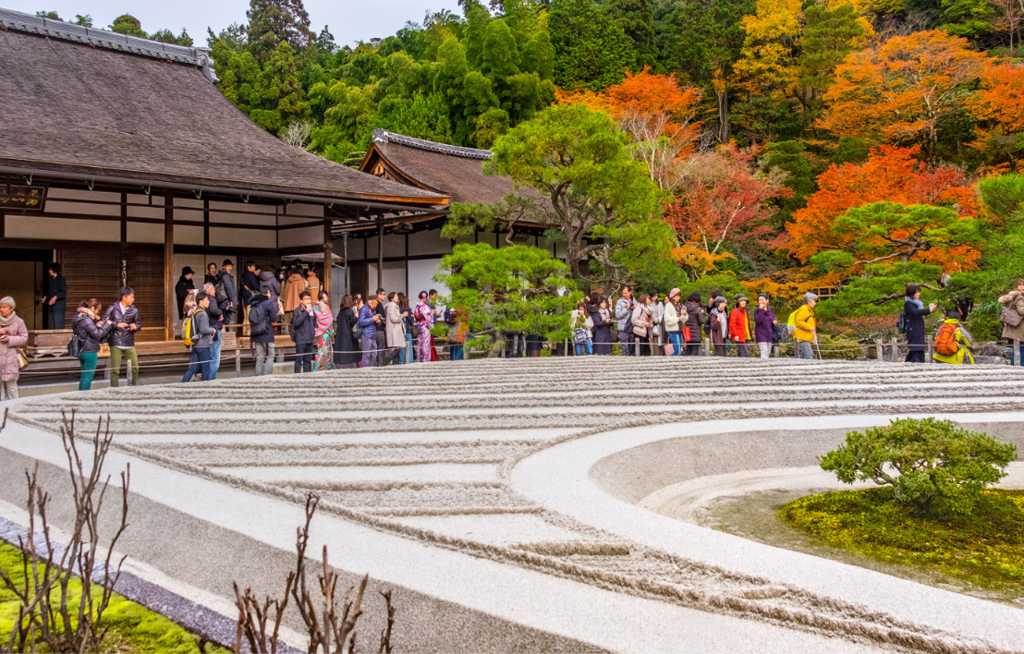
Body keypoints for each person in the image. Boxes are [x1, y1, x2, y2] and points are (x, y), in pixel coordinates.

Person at [72, 299, 113, 391]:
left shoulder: (79, 317)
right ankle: (84, 396)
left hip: (81, 349)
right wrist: (107, 325)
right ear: (93, 309)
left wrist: (97, 325)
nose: (97, 313)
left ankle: (80, 395)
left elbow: (87, 331)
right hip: (89, 350)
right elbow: (98, 334)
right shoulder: (87, 320)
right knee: (88, 377)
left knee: (84, 375)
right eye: (97, 311)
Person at [103, 287, 141, 387]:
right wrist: (116, 324)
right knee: (115, 369)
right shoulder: (112, 308)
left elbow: (138, 324)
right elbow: (104, 320)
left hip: (129, 342)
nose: (133, 299)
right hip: (116, 342)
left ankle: (133, 386)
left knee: (135, 367)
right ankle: (115, 389)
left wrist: (135, 326)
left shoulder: (134, 310)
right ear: (124, 297)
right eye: (131, 297)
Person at [181, 293, 216, 383]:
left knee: (193, 367)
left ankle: (183, 383)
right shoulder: (203, 314)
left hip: (195, 343)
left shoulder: (194, 312)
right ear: (201, 301)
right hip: (203, 344)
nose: (208, 302)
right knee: (205, 367)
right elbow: (204, 329)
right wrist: (212, 330)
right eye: (206, 300)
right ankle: (204, 386)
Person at [0, 297, 28, 400]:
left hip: (11, 359)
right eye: (0, 307)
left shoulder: (19, 321)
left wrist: (9, 339)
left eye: (4, 307)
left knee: (12, 387)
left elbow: (24, 337)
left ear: (11, 308)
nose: (1, 309)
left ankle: (14, 409)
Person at [902, 283, 937, 363]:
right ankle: (918, 363)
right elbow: (916, 312)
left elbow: (918, 312)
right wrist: (929, 310)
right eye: (917, 292)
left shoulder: (915, 304)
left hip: (917, 329)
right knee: (916, 347)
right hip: (912, 329)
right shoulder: (908, 304)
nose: (919, 294)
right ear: (912, 292)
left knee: (917, 348)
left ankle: (910, 363)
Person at [249, 284, 278, 376]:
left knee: (260, 357)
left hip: (255, 333)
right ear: (268, 293)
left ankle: (258, 376)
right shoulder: (268, 303)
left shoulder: (253, 304)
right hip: (266, 333)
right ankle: (266, 376)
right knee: (270, 356)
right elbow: (273, 318)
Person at [998, 278, 1024, 365]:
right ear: (1016, 287)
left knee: (1017, 349)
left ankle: (1014, 367)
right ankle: (1018, 369)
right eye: (1020, 285)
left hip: (1013, 325)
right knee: (1021, 350)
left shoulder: (1011, 297)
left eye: (1023, 285)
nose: (1022, 287)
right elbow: (1021, 311)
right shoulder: (1019, 297)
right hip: (1019, 327)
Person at [202, 282, 225, 378]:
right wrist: (220, 313)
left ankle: (206, 378)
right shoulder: (211, 299)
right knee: (215, 358)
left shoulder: (201, 300)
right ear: (210, 290)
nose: (215, 292)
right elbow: (213, 310)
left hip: (206, 329)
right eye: (214, 290)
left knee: (208, 357)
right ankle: (210, 379)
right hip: (214, 328)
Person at [334, 295, 361, 369]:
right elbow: (352, 322)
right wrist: (357, 317)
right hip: (348, 335)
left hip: (340, 335)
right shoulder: (349, 311)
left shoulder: (341, 312)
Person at [292, 291, 315, 373]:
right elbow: (296, 323)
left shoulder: (312, 310)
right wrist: (305, 313)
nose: (308, 301)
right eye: (306, 299)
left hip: (310, 338)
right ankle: (297, 377)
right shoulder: (297, 311)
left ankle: (308, 377)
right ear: (301, 301)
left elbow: (314, 321)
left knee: (308, 360)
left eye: (309, 298)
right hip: (301, 339)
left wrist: (315, 328)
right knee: (299, 360)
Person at [313, 290, 334, 372]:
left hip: (318, 331)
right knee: (324, 351)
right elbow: (329, 321)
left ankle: (318, 367)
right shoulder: (326, 307)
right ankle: (323, 367)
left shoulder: (315, 306)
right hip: (325, 332)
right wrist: (331, 331)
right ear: (324, 297)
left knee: (319, 350)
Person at [358, 296, 382, 368]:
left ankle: (370, 367)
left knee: (374, 353)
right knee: (366, 354)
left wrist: (378, 322)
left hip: (372, 334)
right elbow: (361, 321)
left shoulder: (373, 309)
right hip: (366, 334)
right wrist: (373, 319)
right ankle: (365, 369)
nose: (377, 304)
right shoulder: (364, 309)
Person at [793, 292, 818, 360]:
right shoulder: (803, 309)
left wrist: (814, 337)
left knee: (803, 357)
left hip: (807, 337)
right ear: (809, 301)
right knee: (808, 356)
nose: (815, 303)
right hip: (804, 337)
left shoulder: (809, 311)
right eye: (814, 301)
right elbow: (798, 322)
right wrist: (809, 327)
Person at [383, 292, 405, 366]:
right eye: (396, 296)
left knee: (397, 348)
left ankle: (395, 364)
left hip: (394, 329)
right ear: (392, 298)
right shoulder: (392, 306)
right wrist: (401, 317)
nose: (397, 298)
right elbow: (393, 318)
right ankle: (386, 360)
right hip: (394, 329)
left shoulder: (392, 305)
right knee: (397, 348)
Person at [753, 293, 778, 359]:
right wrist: (761, 310)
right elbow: (758, 320)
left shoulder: (770, 310)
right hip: (760, 333)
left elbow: (772, 317)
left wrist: (774, 320)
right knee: (764, 351)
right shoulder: (757, 310)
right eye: (759, 300)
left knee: (768, 352)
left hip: (769, 333)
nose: (761, 302)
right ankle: (763, 366)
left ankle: (767, 365)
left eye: (762, 300)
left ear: (767, 301)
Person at [44, 263, 67, 329]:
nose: (49, 271)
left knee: (58, 325)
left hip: (59, 307)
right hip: (52, 307)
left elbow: (63, 291)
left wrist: (55, 297)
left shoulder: (61, 279)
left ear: (54, 270)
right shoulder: (52, 280)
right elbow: (50, 291)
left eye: (50, 269)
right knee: (52, 326)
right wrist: (46, 297)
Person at [217, 260, 238, 331]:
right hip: (226, 301)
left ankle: (224, 334)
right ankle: (226, 335)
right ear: (224, 267)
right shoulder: (225, 276)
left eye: (231, 266)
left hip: (223, 300)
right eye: (228, 266)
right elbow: (228, 288)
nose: (230, 268)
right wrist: (231, 300)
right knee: (226, 319)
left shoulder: (223, 275)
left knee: (224, 319)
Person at [415, 291, 435, 363]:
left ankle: (419, 359)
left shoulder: (417, 306)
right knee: (425, 344)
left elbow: (417, 316)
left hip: (420, 326)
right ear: (425, 297)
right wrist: (432, 314)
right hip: (425, 327)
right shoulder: (425, 307)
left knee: (420, 343)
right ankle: (425, 359)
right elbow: (428, 319)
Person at [615, 286, 635, 356]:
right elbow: (617, 315)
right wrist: (626, 309)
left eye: (626, 293)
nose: (624, 295)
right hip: (623, 327)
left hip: (633, 327)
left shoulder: (634, 301)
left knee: (632, 346)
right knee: (625, 347)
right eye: (623, 293)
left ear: (630, 292)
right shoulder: (619, 302)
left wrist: (636, 308)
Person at [241, 261, 259, 335]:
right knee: (250, 316)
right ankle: (248, 333)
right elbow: (255, 286)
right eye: (253, 266)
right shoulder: (251, 275)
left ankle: (244, 332)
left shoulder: (242, 275)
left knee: (245, 316)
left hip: (243, 297)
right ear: (249, 267)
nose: (254, 268)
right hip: (250, 297)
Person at [664, 288, 683, 356]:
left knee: (679, 351)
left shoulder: (680, 305)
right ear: (673, 296)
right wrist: (678, 319)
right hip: (673, 330)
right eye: (676, 296)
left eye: (679, 296)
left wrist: (685, 314)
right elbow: (667, 319)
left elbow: (684, 319)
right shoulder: (669, 305)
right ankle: (669, 362)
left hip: (680, 329)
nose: (678, 297)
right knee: (677, 351)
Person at [398, 293, 414, 364]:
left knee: (402, 348)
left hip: (399, 331)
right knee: (408, 348)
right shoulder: (408, 310)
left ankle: (401, 361)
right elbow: (411, 321)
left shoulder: (398, 309)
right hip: (407, 330)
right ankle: (409, 361)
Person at [373, 288, 389, 364]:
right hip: (379, 328)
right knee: (380, 349)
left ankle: (377, 364)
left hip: (375, 329)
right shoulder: (378, 304)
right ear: (378, 295)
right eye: (383, 294)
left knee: (376, 350)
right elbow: (381, 317)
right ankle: (380, 364)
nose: (384, 296)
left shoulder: (375, 304)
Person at [648, 289, 663, 356]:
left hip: (657, 324)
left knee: (657, 342)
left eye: (656, 296)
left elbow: (663, 314)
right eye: (654, 296)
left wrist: (658, 319)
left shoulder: (659, 303)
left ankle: (657, 355)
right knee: (650, 341)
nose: (655, 297)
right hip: (650, 324)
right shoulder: (648, 303)